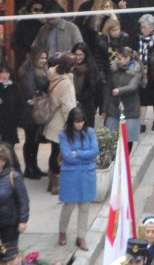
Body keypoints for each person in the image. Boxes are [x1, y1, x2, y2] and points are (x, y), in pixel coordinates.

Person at [57, 106, 98, 251]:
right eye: (77, 122)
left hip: (87, 174)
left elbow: (95, 151)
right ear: (71, 122)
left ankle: (81, 237)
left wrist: (78, 153)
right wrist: (84, 156)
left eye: (81, 121)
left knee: (85, 207)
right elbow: (67, 156)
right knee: (69, 205)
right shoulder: (63, 134)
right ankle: (62, 232)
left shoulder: (90, 132)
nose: (80, 124)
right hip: (71, 175)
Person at [44, 53, 77, 196]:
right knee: (60, 153)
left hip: (52, 122)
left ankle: (52, 182)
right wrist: (71, 125)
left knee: (54, 152)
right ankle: (57, 184)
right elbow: (68, 108)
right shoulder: (66, 83)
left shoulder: (54, 76)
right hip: (61, 123)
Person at [17, 47, 48, 179]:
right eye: (42, 58)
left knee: (33, 140)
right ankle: (30, 168)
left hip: (35, 109)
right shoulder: (29, 71)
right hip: (29, 111)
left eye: (45, 58)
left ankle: (33, 167)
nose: (44, 60)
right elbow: (29, 90)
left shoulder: (41, 70)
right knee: (31, 140)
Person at [105, 47, 143, 151]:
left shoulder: (136, 70)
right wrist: (104, 109)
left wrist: (119, 90)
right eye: (117, 58)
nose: (117, 60)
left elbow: (133, 86)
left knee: (128, 138)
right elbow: (107, 88)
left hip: (130, 109)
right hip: (114, 107)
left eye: (120, 58)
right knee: (111, 137)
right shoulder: (114, 69)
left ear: (128, 59)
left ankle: (125, 160)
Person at [0, 143, 29, 253]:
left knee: (9, 254)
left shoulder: (14, 177)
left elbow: (23, 200)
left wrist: (23, 220)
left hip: (9, 223)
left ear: (3, 162)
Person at [71, 43, 104, 129]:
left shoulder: (91, 68)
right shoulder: (69, 66)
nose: (78, 57)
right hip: (71, 104)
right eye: (76, 54)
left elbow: (94, 89)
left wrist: (79, 98)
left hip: (86, 106)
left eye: (80, 55)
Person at [0, 64, 21, 150]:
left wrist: (16, 119)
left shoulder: (15, 86)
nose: (4, 74)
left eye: (7, 72)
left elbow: (20, 105)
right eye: (1, 72)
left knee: (9, 149)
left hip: (10, 124)